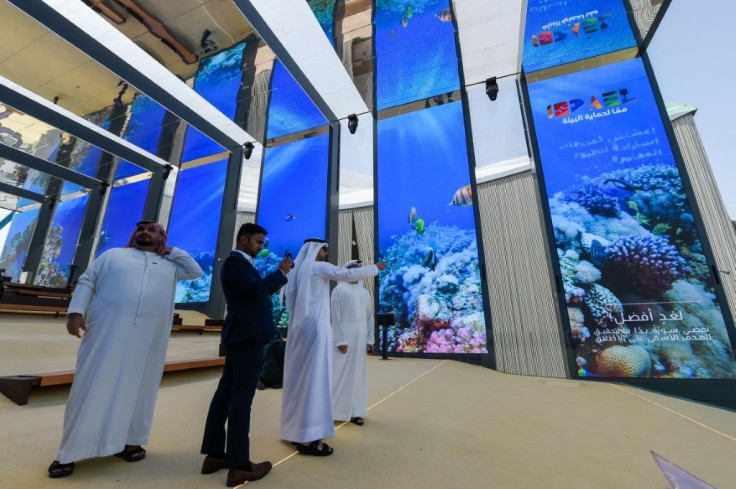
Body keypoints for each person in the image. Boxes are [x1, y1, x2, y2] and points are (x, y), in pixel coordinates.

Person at [48, 220, 203, 478]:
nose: (145, 232)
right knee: (92, 386)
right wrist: (75, 313)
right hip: (106, 333)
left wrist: (172, 251)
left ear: (162, 237)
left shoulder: (171, 265)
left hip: (149, 341)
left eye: (152, 229)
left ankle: (129, 441)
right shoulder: (113, 256)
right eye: (141, 228)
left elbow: (195, 271)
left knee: (140, 389)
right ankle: (69, 452)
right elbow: (87, 281)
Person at [200, 223, 291, 486]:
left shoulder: (240, 264)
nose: (261, 247)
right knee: (241, 398)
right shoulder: (235, 263)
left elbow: (255, 293)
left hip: (242, 336)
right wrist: (281, 272)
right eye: (259, 243)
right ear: (243, 239)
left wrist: (276, 278)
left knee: (226, 393)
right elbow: (254, 291)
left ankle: (216, 454)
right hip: (246, 337)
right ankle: (239, 465)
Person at [280, 239, 385, 456]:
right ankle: (309, 437)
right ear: (315, 251)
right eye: (323, 249)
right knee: (315, 382)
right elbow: (346, 274)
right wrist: (375, 268)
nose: (326, 253)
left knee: (299, 381)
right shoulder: (317, 267)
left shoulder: (297, 270)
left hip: (299, 330)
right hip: (316, 331)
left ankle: (294, 431)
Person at [330, 260, 375, 426]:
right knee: (340, 373)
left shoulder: (364, 293)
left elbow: (369, 318)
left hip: (360, 337)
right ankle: (336, 410)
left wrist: (370, 340)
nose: (359, 272)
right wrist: (340, 340)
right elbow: (336, 317)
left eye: (360, 270)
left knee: (358, 374)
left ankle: (356, 411)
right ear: (347, 272)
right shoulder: (339, 290)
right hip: (344, 338)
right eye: (355, 270)